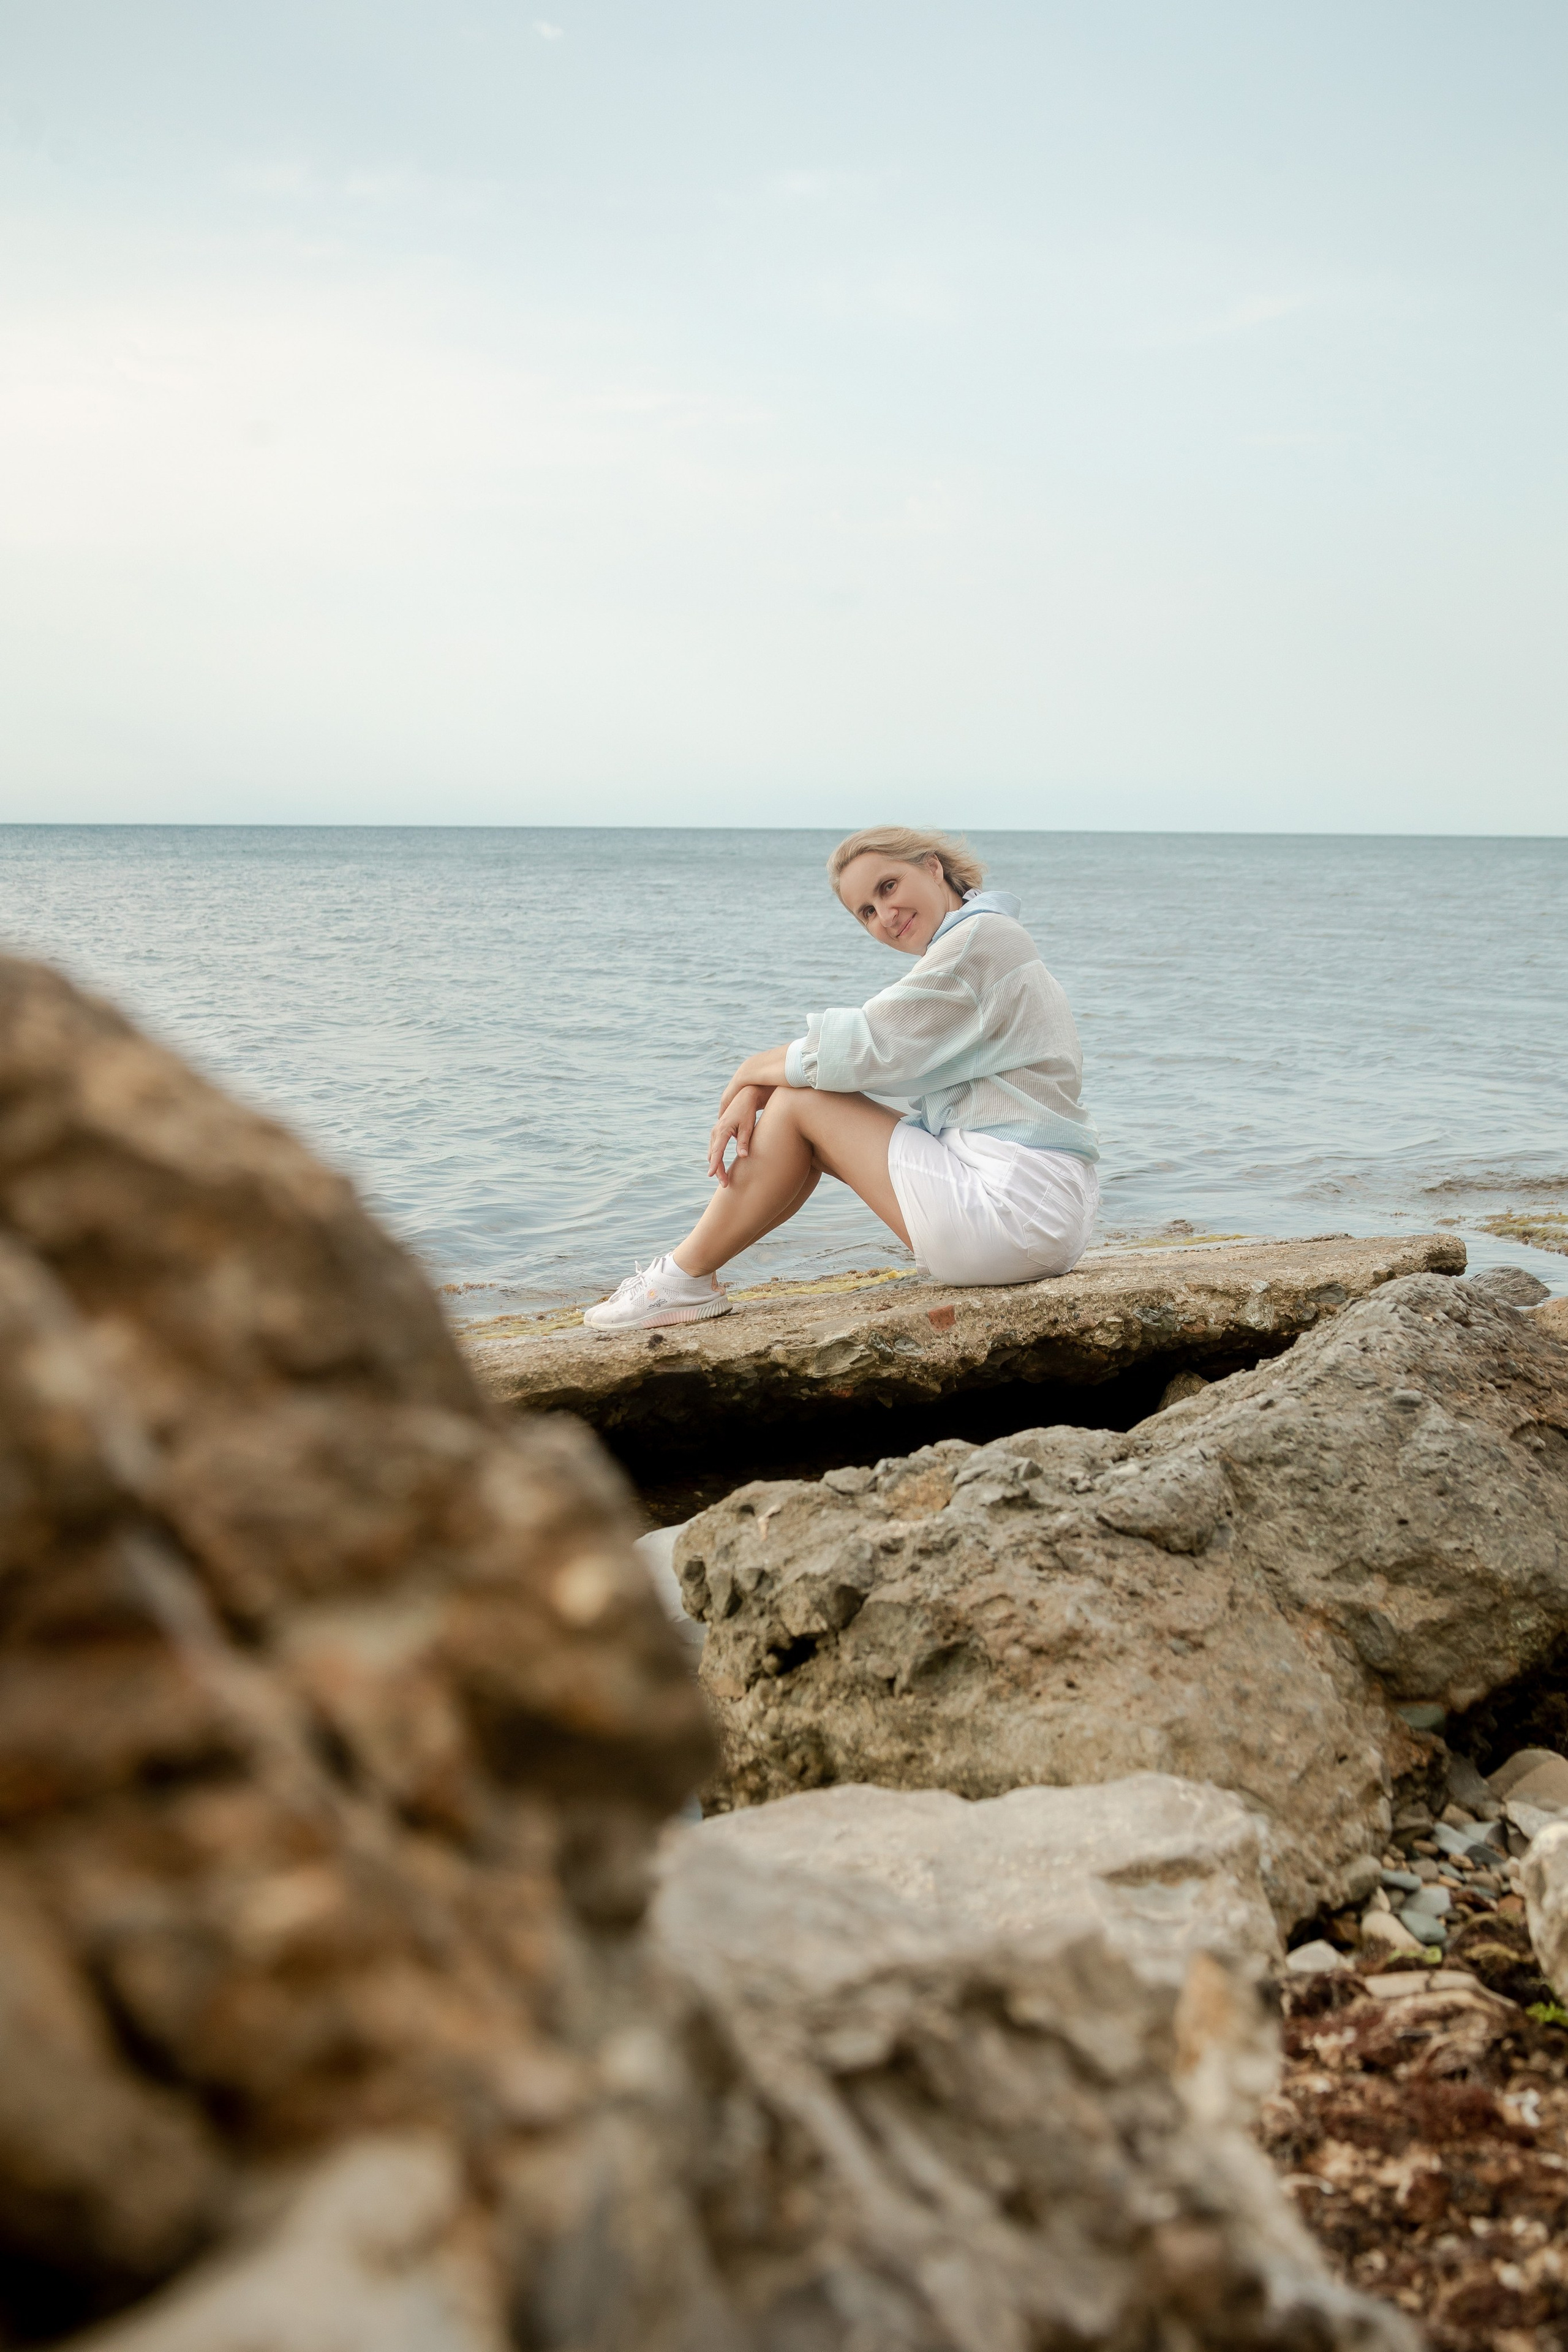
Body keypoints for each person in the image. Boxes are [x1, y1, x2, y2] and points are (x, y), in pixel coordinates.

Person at [584, 826, 1099, 1333]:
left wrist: (748, 1075)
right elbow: (872, 1056)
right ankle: (688, 1277)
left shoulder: (978, 940)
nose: (885, 916)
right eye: (867, 913)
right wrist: (761, 1086)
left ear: (932, 866)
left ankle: (679, 1279)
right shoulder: (983, 938)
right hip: (1037, 1208)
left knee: (797, 1107)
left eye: (888, 887)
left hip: (1015, 1212)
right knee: (801, 1114)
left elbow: (868, 1045)